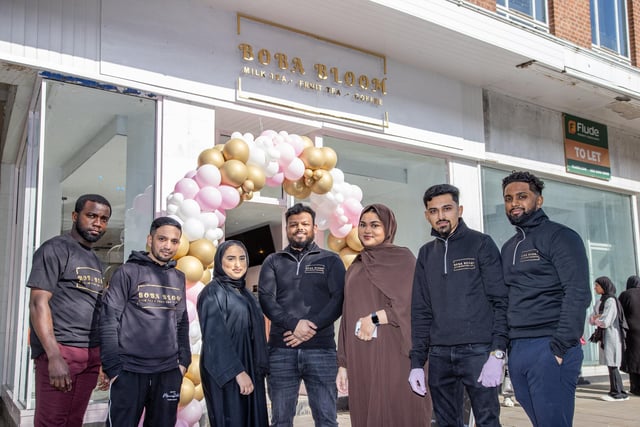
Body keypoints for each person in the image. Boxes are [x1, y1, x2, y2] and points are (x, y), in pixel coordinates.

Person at [409, 184, 508, 427]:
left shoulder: (481, 244)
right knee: (445, 423)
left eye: (447, 208)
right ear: (427, 215)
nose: (440, 216)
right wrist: (416, 364)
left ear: (459, 210)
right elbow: (420, 311)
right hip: (439, 354)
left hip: (478, 352)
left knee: (487, 420)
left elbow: (501, 300)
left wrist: (498, 351)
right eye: (433, 211)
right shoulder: (425, 254)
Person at [500, 171, 591, 426]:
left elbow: (577, 292)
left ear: (538, 201)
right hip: (518, 349)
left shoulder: (561, 236)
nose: (514, 203)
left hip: (550, 345)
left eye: (522, 196)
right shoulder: (509, 247)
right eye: (508, 198)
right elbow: (505, 299)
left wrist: (560, 347)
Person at [336, 204, 432, 427]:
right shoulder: (356, 266)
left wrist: (376, 317)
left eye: (375, 225)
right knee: (366, 411)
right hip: (362, 355)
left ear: (388, 228)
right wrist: (343, 364)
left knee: (397, 410)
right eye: (363, 225)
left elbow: (415, 304)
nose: (367, 230)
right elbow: (347, 315)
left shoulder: (403, 259)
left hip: (395, 353)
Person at [27, 194, 111, 427]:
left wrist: (100, 358)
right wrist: (54, 356)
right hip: (61, 350)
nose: (97, 223)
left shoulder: (95, 260)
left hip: (89, 353)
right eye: (91, 215)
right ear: (75, 216)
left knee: (74, 421)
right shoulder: (55, 248)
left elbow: (94, 309)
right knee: (51, 422)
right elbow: (37, 303)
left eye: (104, 219)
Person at [258, 203, 345, 427]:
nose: (299, 228)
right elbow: (267, 299)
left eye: (305, 224)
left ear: (314, 227)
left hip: (322, 351)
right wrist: (294, 325)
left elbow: (339, 300)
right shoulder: (273, 261)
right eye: (293, 224)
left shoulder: (331, 260)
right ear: (287, 228)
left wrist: (309, 328)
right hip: (281, 351)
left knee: (327, 419)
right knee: (280, 420)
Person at [99, 216, 191, 427]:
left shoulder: (178, 277)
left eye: (174, 241)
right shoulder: (127, 272)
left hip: (168, 372)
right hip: (129, 372)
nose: (168, 246)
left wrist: (183, 362)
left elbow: (181, 322)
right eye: (162, 239)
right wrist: (113, 369)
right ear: (150, 239)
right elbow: (109, 319)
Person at [197, 240, 269, 427]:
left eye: (242, 258)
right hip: (226, 373)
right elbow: (215, 337)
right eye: (230, 258)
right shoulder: (212, 292)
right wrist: (237, 372)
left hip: (250, 368)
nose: (238, 264)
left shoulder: (244, 293)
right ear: (220, 262)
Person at [589, 276, 629, 401]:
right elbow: (591, 319)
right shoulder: (601, 301)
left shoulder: (611, 301)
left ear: (604, 286)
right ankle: (617, 391)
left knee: (613, 363)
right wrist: (597, 318)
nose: (595, 287)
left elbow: (606, 321)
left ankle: (618, 393)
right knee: (610, 363)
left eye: (597, 285)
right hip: (604, 336)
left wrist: (597, 318)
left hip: (612, 335)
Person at [620, 275, 640, 395]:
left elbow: (619, 312)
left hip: (632, 332)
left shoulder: (626, 295)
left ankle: (636, 388)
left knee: (633, 359)